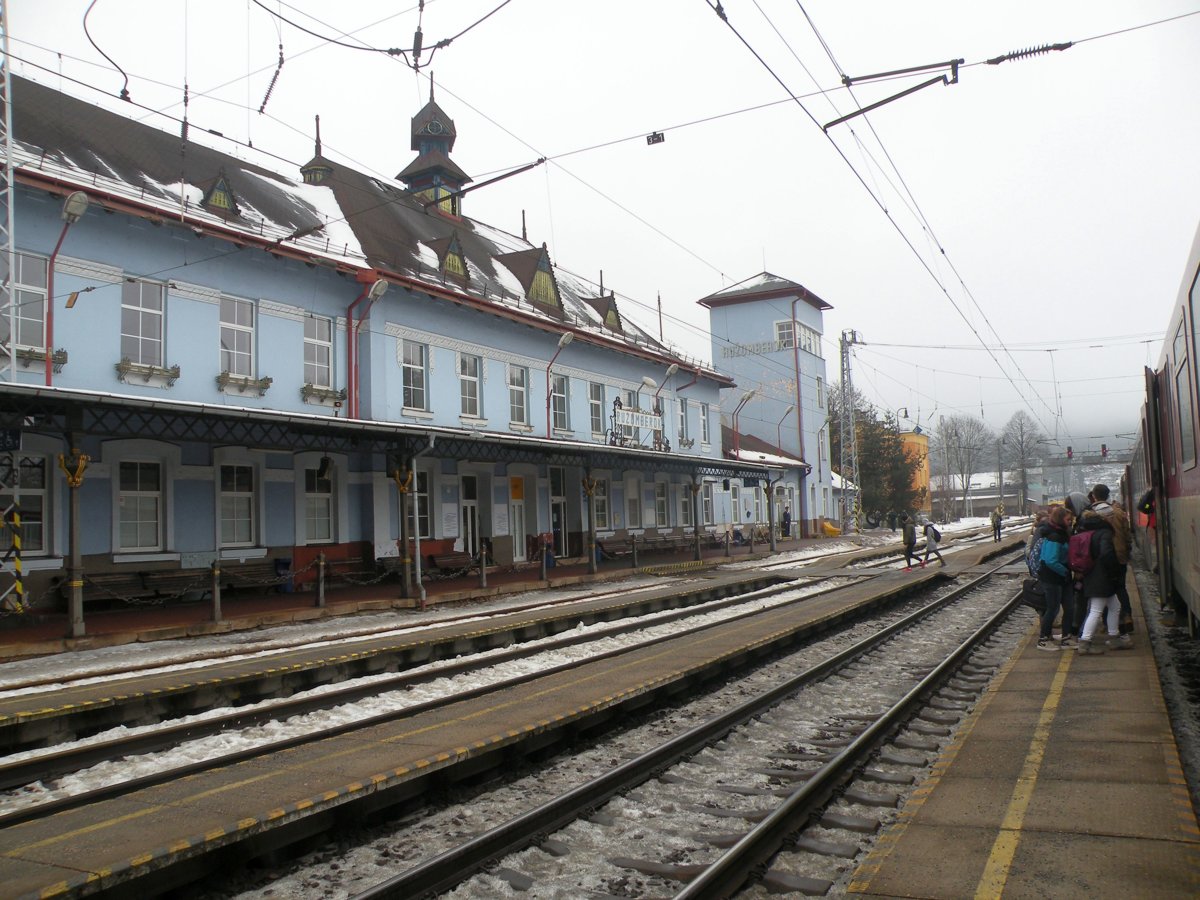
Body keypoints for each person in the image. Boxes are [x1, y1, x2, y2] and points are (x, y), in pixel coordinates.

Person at [1075, 499, 1129, 654]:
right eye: (1111, 516)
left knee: (1115, 606)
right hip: (1102, 576)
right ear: (1105, 517)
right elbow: (1106, 554)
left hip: (1094, 575)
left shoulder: (1088, 530)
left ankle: (1114, 638)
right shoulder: (1104, 532)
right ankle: (1084, 643)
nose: (1113, 518)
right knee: (1096, 610)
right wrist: (1114, 571)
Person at [1088, 484, 1133, 635]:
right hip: (1119, 556)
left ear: (1094, 496)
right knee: (1120, 588)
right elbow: (1127, 535)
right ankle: (1126, 616)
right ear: (1107, 496)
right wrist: (1127, 552)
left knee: (1104, 590)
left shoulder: (1090, 514)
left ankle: (1107, 624)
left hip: (1100, 559)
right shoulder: (1119, 513)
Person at [1035, 505, 1074, 650]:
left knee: (1069, 607)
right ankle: (1043, 639)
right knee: (1053, 608)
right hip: (1052, 577)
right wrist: (1064, 571)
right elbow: (1050, 560)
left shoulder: (1061, 533)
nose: (1070, 522)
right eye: (1068, 519)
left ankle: (1066, 637)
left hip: (1062, 577)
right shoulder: (1054, 536)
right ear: (1060, 519)